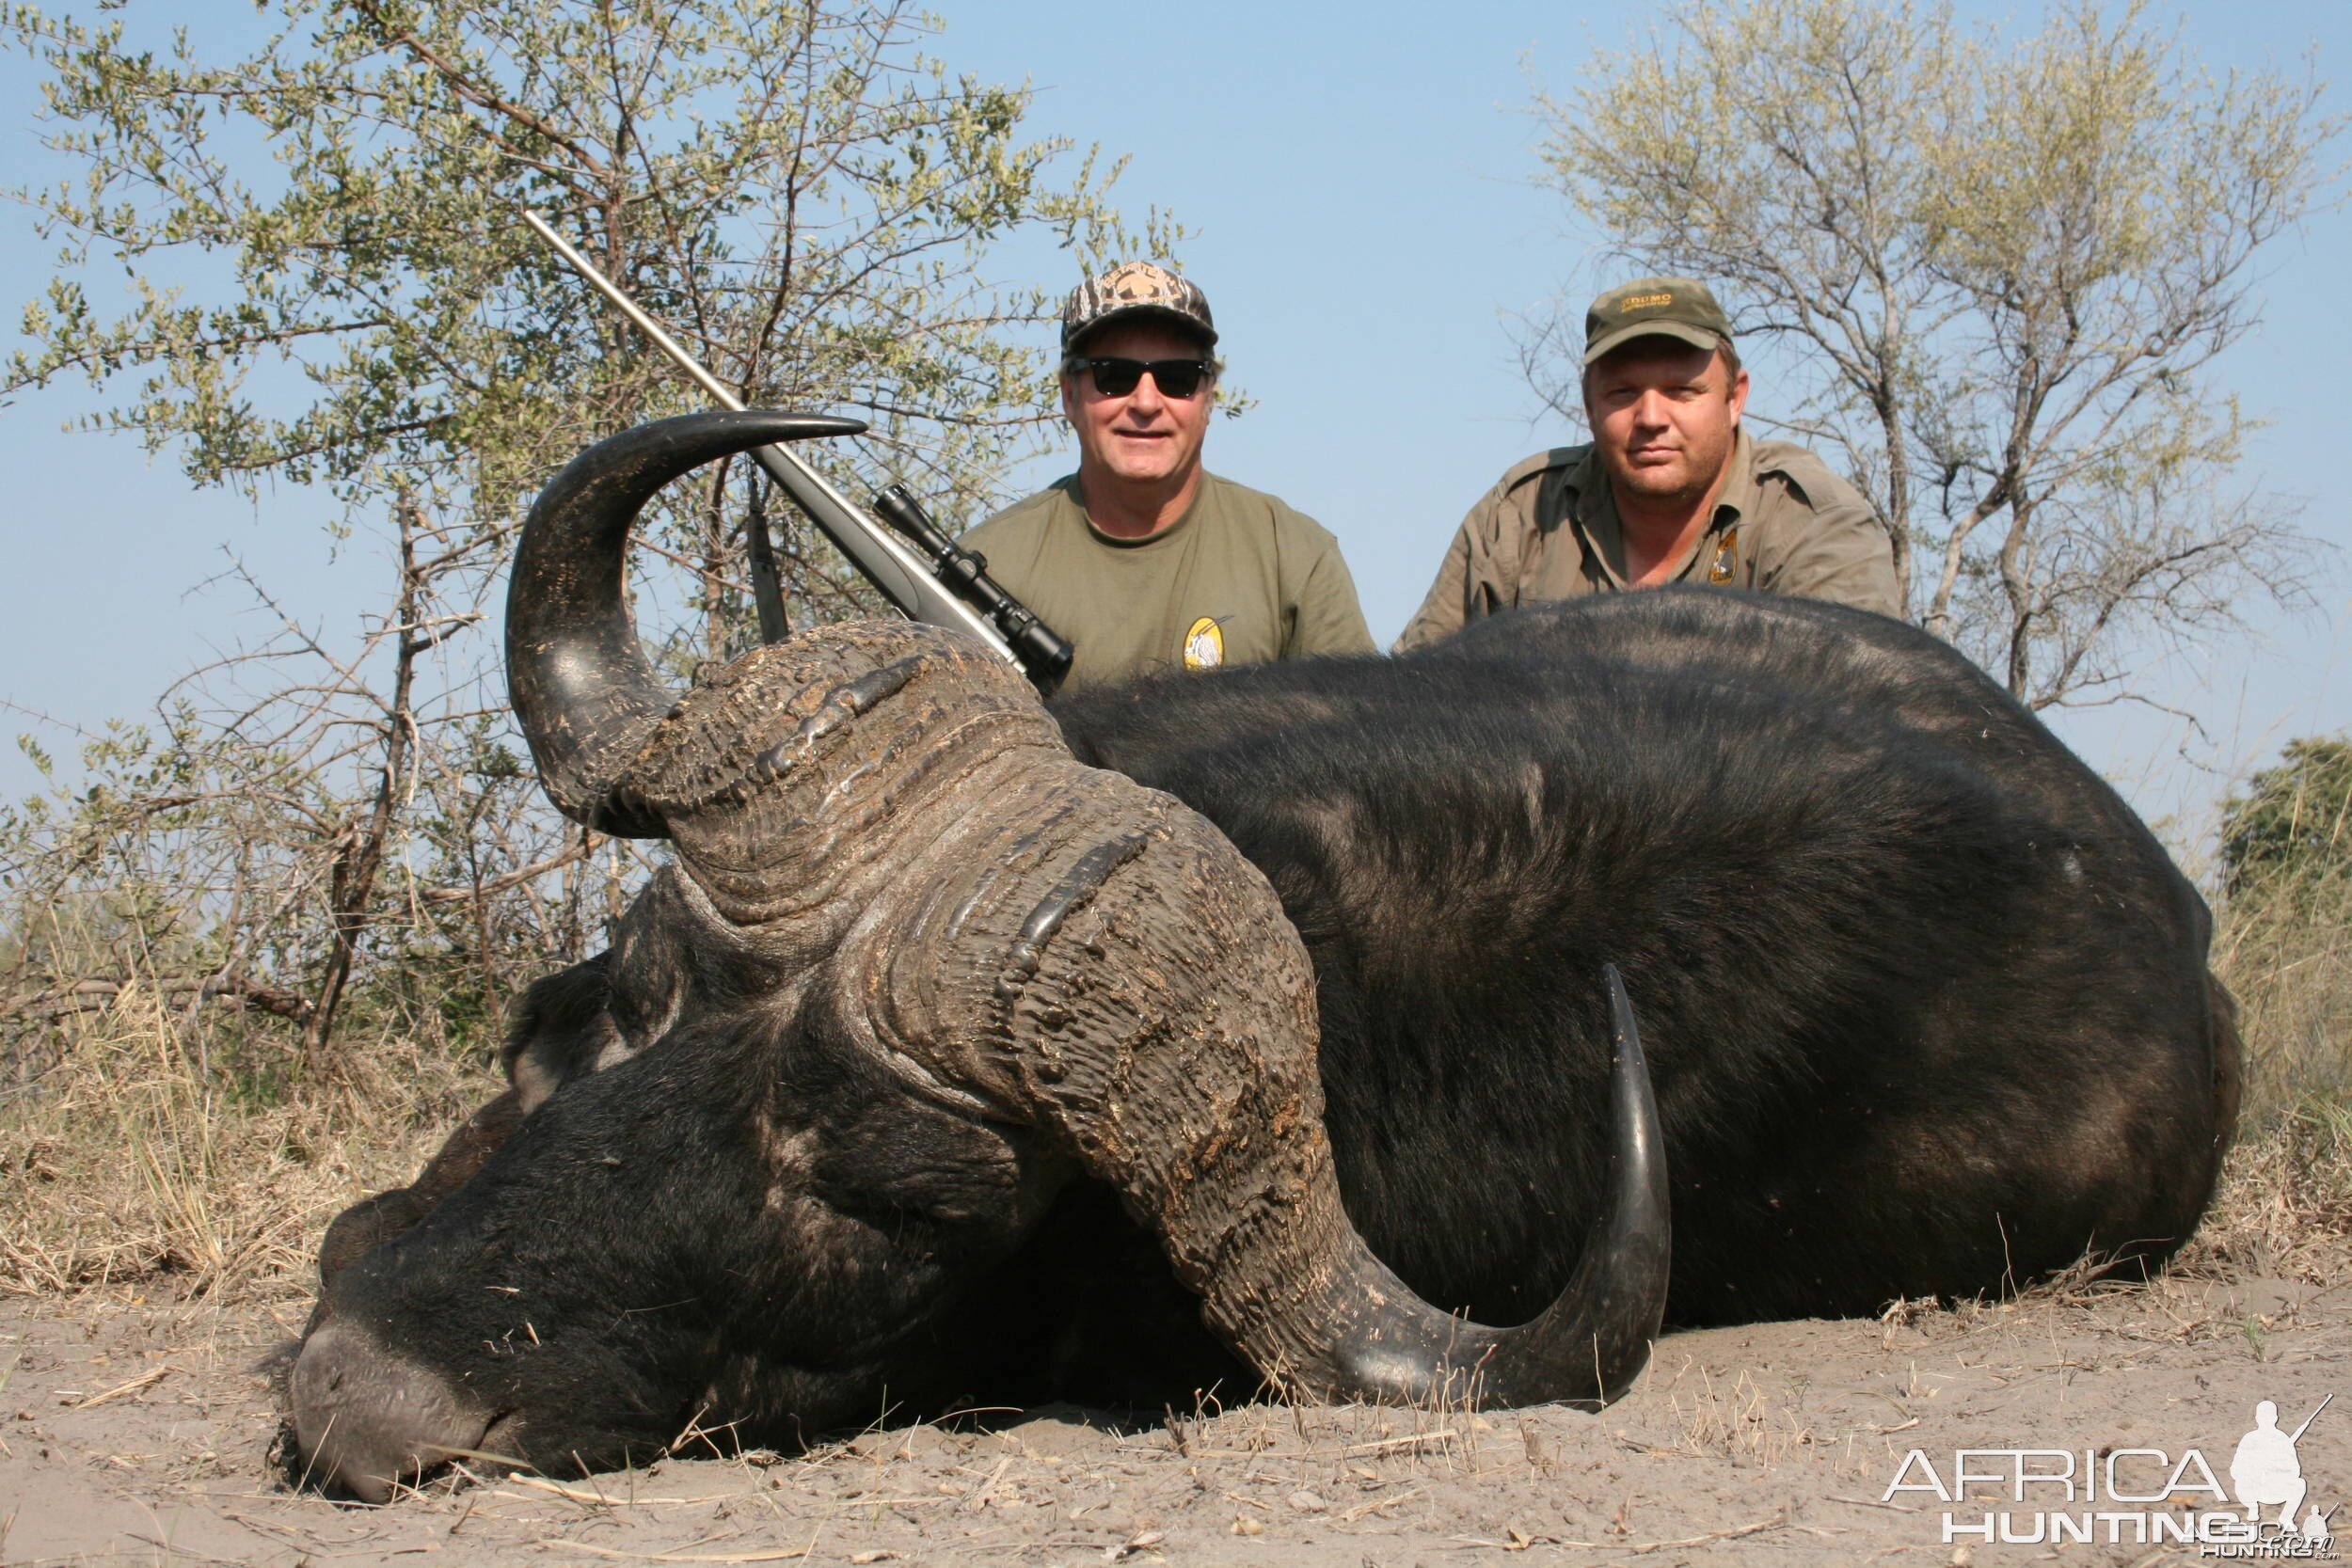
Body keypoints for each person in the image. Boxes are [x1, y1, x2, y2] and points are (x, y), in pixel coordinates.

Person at [1395, 277, 1899, 651]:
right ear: (1590, 405)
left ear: (1734, 397)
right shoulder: (1522, 514)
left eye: (1683, 391)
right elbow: (1414, 697)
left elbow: (1854, 725)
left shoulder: (1814, 520)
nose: (1651, 418)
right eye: (1623, 393)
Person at [961, 261, 1375, 691]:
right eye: (1113, 376)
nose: (1145, 402)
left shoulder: (1294, 556)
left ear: (1208, 398)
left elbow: (1355, 733)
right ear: (1070, 395)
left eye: (1176, 378)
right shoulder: (991, 565)